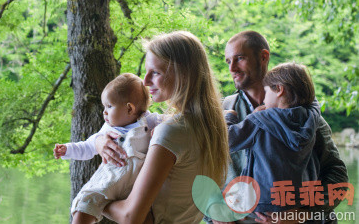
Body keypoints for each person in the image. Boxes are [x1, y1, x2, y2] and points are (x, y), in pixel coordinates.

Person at [97, 31, 229, 223]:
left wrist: (92, 199)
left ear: (183, 75)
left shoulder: (173, 131)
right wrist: (100, 140)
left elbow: (130, 216)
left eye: (156, 73)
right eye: (147, 71)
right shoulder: (210, 129)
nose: (145, 81)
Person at [220, 31, 347, 223]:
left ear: (263, 57)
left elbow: (337, 175)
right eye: (228, 61)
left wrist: (304, 213)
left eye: (239, 58)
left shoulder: (305, 113)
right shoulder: (222, 111)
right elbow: (198, 168)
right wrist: (213, 212)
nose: (232, 68)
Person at [54, 73, 162, 223]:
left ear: (130, 109)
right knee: (84, 203)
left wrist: (162, 128)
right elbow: (87, 146)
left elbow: (174, 123)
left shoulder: (151, 122)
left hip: (139, 185)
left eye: (109, 106)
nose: (104, 112)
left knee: (147, 217)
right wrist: (67, 149)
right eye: (104, 106)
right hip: (110, 179)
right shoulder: (107, 131)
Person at [226, 62, 320, 213]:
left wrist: (229, 117)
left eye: (266, 91)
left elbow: (228, 141)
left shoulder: (261, 120)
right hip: (299, 201)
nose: (264, 99)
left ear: (279, 90)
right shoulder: (311, 117)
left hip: (265, 201)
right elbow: (314, 104)